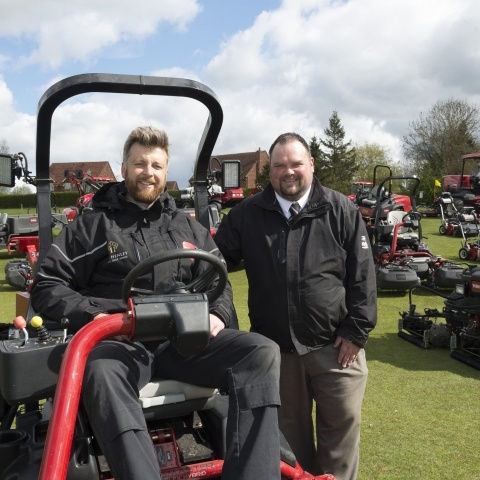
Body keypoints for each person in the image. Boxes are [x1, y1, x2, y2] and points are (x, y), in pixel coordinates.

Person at [30, 126, 281, 480]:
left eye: (157, 165)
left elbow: (217, 277)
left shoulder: (185, 226)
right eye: (140, 164)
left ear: (166, 171)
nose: (148, 172)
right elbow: (47, 284)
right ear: (124, 167)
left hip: (184, 341)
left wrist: (219, 313)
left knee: (261, 353)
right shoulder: (91, 227)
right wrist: (96, 316)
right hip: (122, 343)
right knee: (101, 373)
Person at [214, 132, 377, 480]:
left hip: (337, 349)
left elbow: (363, 274)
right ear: (269, 170)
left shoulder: (340, 209)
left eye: (296, 164)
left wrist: (356, 331)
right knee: (290, 445)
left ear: (311, 165)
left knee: (341, 436)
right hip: (278, 352)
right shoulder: (247, 214)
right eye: (279, 165)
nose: (288, 172)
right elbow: (212, 262)